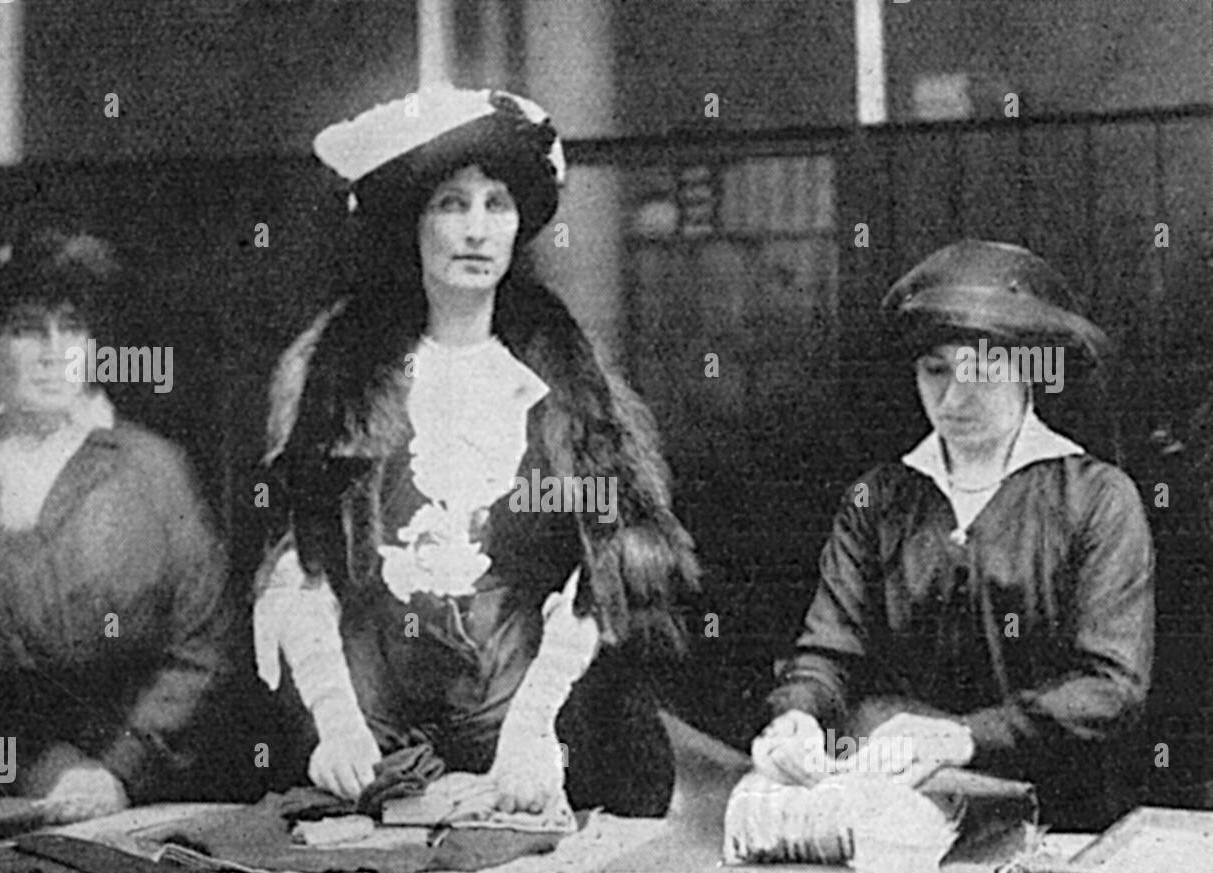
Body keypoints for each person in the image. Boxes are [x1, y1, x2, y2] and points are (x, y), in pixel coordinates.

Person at [255, 85, 699, 817]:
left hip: (534, 735)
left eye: (497, 205)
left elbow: (609, 579)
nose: (476, 230)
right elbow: (302, 567)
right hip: (373, 743)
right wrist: (334, 723)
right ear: (412, 223)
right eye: (450, 204)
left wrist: (535, 730)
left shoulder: (569, 392)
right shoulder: (337, 380)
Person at [753, 239, 1154, 829]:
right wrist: (798, 714)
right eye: (934, 370)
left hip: (1053, 815)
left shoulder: (1095, 496)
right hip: (893, 809)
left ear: (1028, 372)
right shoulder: (880, 499)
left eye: (981, 370)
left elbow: (1112, 688)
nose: (953, 397)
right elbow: (828, 652)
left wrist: (963, 737)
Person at [0, 231, 232, 822]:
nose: (54, 350)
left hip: (131, 802)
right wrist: (28, 766)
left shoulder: (151, 471)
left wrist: (119, 768)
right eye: (26, 329)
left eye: (72, 327)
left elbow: (201, 649)